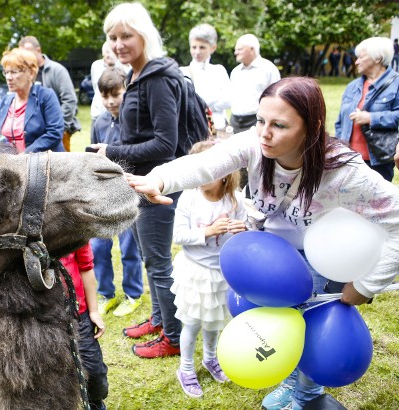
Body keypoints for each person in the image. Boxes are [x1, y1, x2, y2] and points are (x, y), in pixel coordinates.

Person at [126, 76, 399, 409]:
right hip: (265, 256)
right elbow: (205, 163)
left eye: (279, 125)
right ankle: (289, 382)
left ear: (311, 128)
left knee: (308, 330)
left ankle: (306, 392)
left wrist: (368, 285)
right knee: (278, 327)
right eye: (260, 120)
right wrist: (158, 178)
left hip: (315, 260)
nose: (264, 133)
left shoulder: (344, 172)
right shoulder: (256, 144)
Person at [91, 2, 203, 359]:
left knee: (158, 262)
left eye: (126, 35)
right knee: (146, 257)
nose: (119, 43)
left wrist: (111, 151)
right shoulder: (136, 76)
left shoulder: (157, 79)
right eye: (113, 37)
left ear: (144, 35)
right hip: (137, 182)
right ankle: (158, 319)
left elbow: (165, 144)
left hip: (157, 183)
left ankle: (172, 336)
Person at [171, 140, 247, 398]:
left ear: (225, 172)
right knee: (192, 323)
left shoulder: (236, 201)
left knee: (214, 321)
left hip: (221, 272)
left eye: (207, 172)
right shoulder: (189, 198)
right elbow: (178, 236)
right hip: (195, 271)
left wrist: (242, 230)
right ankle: (186, 368)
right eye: (197, 171)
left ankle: (210, 358)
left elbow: (245, 232)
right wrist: (208, 231)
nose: (200, 178)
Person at [90, 67, 143, 317]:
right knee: (98, 247)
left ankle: (133, 294)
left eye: (116, 94)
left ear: (126, 92)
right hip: (103, 195)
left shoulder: (133, 121)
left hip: (129, 192)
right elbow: (90, 156)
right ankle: (105, 293)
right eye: (105, 96)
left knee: (129, 247)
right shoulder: (98, 121)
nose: (111, 101)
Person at [335, 37, 399, 182]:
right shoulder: (352, 86)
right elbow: (340, 122)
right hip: (348, 160)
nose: (356, 61)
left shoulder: (396, 84)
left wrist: (372, 118)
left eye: (361, 57)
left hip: (377, 162)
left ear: (378, 58)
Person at [59, 244, 108, 410]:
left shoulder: (74, 230)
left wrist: (93, 311)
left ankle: (96, 404)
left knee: (94, 370)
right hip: (44, 318)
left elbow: (86, 267)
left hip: (79, 314)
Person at [0, 48, 64, 153]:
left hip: (44, 163)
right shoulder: (4, 102)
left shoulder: (46, 96)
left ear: (31, 73)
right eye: (6, 72)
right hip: (10, 164)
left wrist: (25, 156)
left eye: (13, 72)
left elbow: (54, 133)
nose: (8, 77)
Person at [18, 36, 81, 151]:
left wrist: (59, 126)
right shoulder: (25, 74)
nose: (24, 58)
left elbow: (70, 100)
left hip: (58, 131)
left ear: (38, 50)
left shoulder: (57, 70)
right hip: (34, 137)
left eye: (27, 53)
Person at [180, 23, 231, 131]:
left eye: (202, 47)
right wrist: (214, 101)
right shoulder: (183, 72)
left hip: (218, 129)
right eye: (194, 47)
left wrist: (202, 103)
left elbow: (228, 100)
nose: (197, 52)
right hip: (194, 131)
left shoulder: (219, 70)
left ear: (213, 48)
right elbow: (185, 104)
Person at [229, 34, 280, 133]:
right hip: (235, 122)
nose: (235, 52)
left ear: (251, 49)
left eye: (239, 49)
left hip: (257, 121)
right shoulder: (235, 71)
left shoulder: (268, 69)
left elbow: (277, 98)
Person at [90, 42, 119, 123]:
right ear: (103, 53)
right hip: (97, 112)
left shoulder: (122, 66)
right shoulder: (96, 66)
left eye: (112, 52)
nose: (110, 55)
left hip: (116, 113)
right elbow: (95, 87)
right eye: (107, 52)